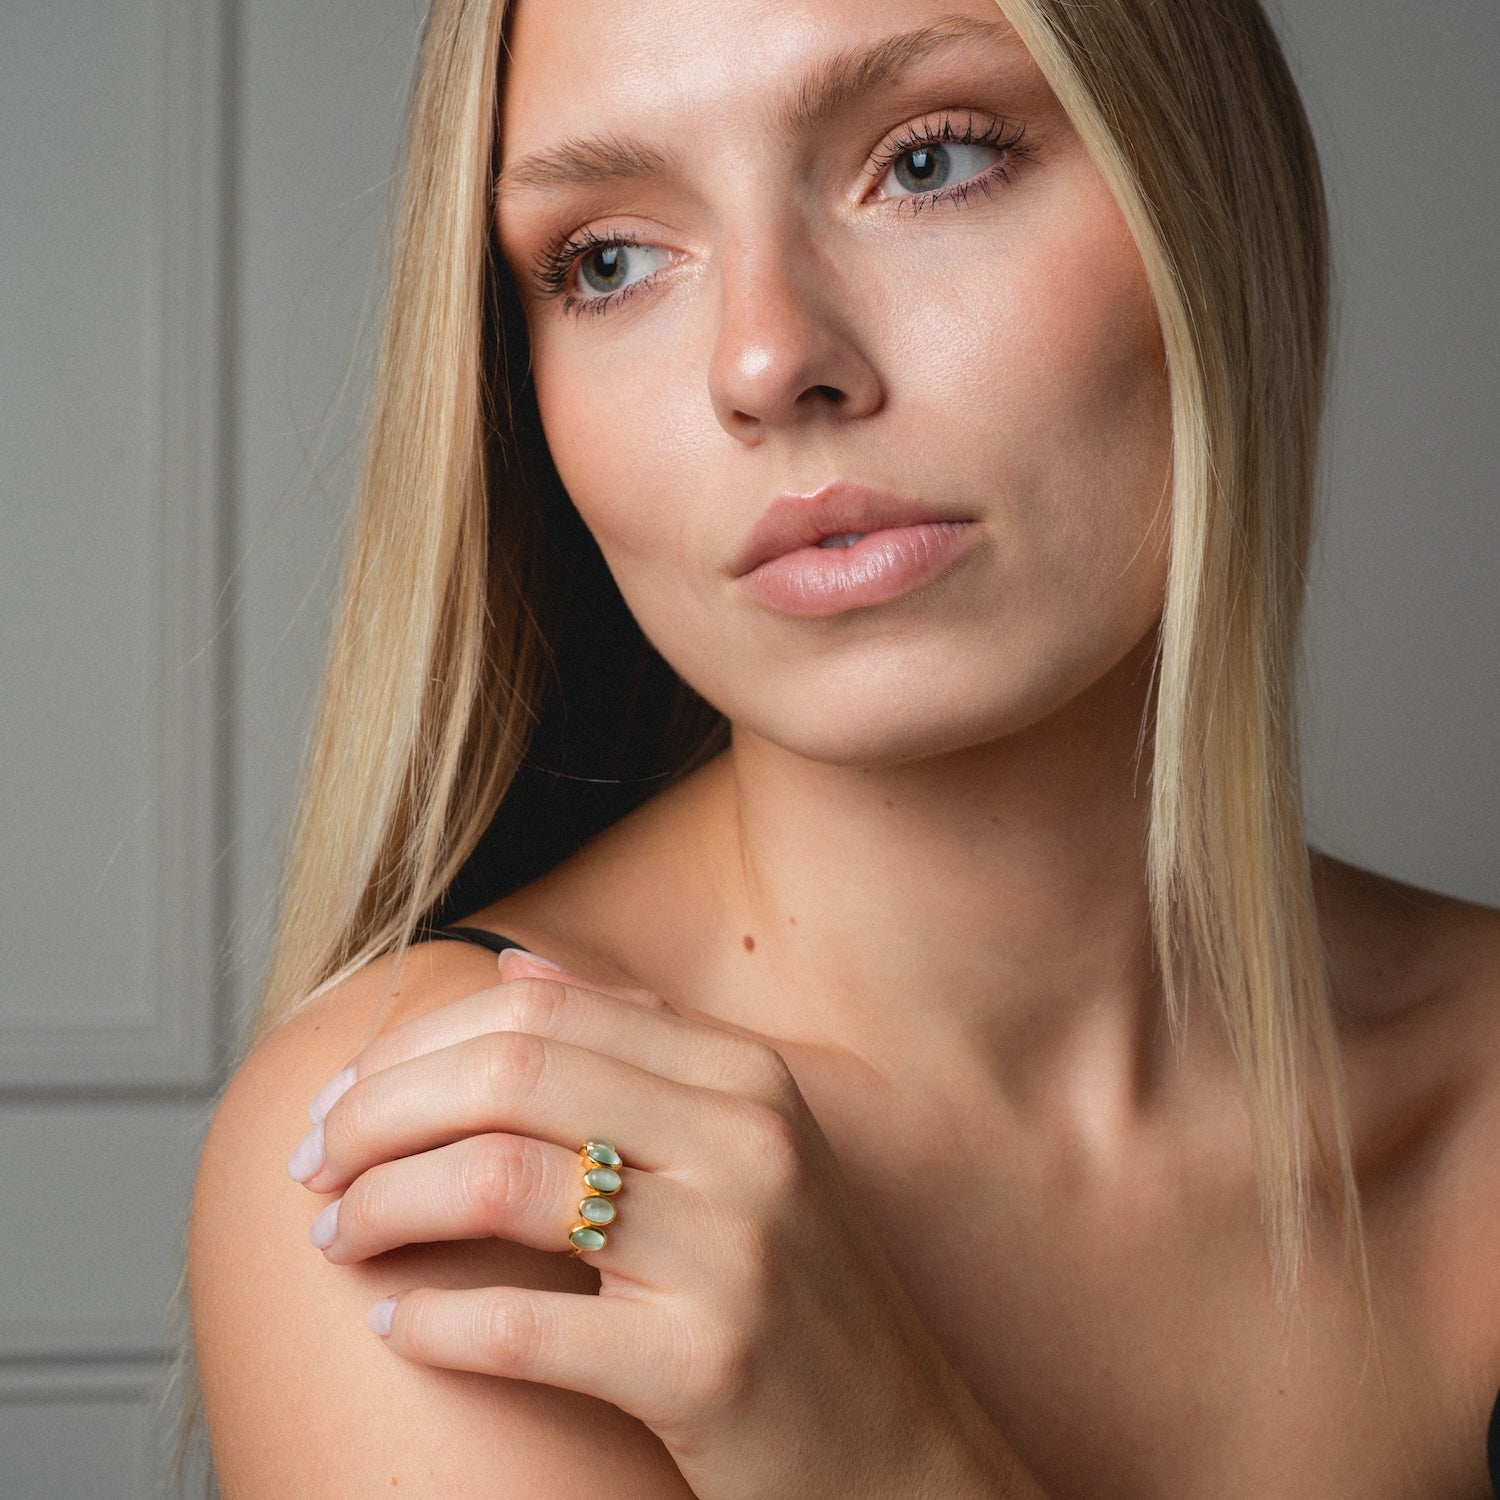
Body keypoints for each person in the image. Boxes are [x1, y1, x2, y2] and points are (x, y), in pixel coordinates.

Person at [182, 0, 1500, 1493]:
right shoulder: (478, 1159)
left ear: (1209, 194)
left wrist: (891, 1459)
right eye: (607, 259)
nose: (765, 359)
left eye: (930, 162)